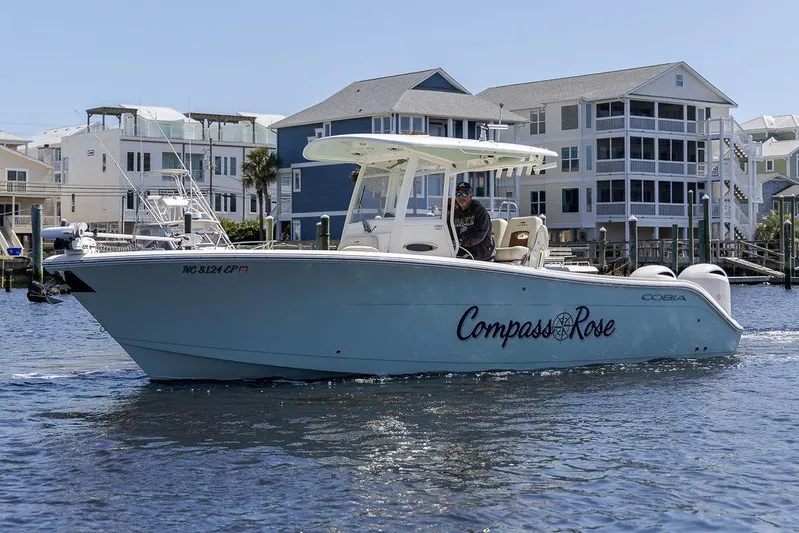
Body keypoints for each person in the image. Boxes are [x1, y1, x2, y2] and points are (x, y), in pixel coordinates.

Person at [452, 181, 495, 261]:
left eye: (464, 194)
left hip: (482, 257)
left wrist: (461, 241)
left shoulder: (480, 211)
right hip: (463, 254)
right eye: (458, 194)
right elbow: (449, 231)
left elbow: (480, 234)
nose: (461, 197)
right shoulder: (454, 214)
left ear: (471, 195)